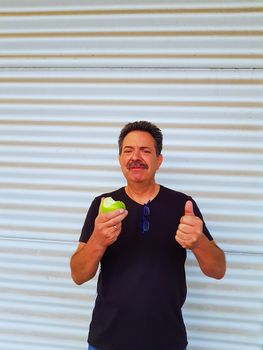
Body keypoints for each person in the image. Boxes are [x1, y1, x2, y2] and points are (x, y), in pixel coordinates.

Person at [70, 120, 226, 350]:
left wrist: (199, 242)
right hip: (106, 341)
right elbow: (78, 275)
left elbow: (218, 270)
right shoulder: (102, 205)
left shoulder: (183, 205)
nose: (136, 157)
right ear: (120, 159)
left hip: (167, 341)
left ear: (158, 160)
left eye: (145, 151)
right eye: (128, 151)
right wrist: (98, 241)